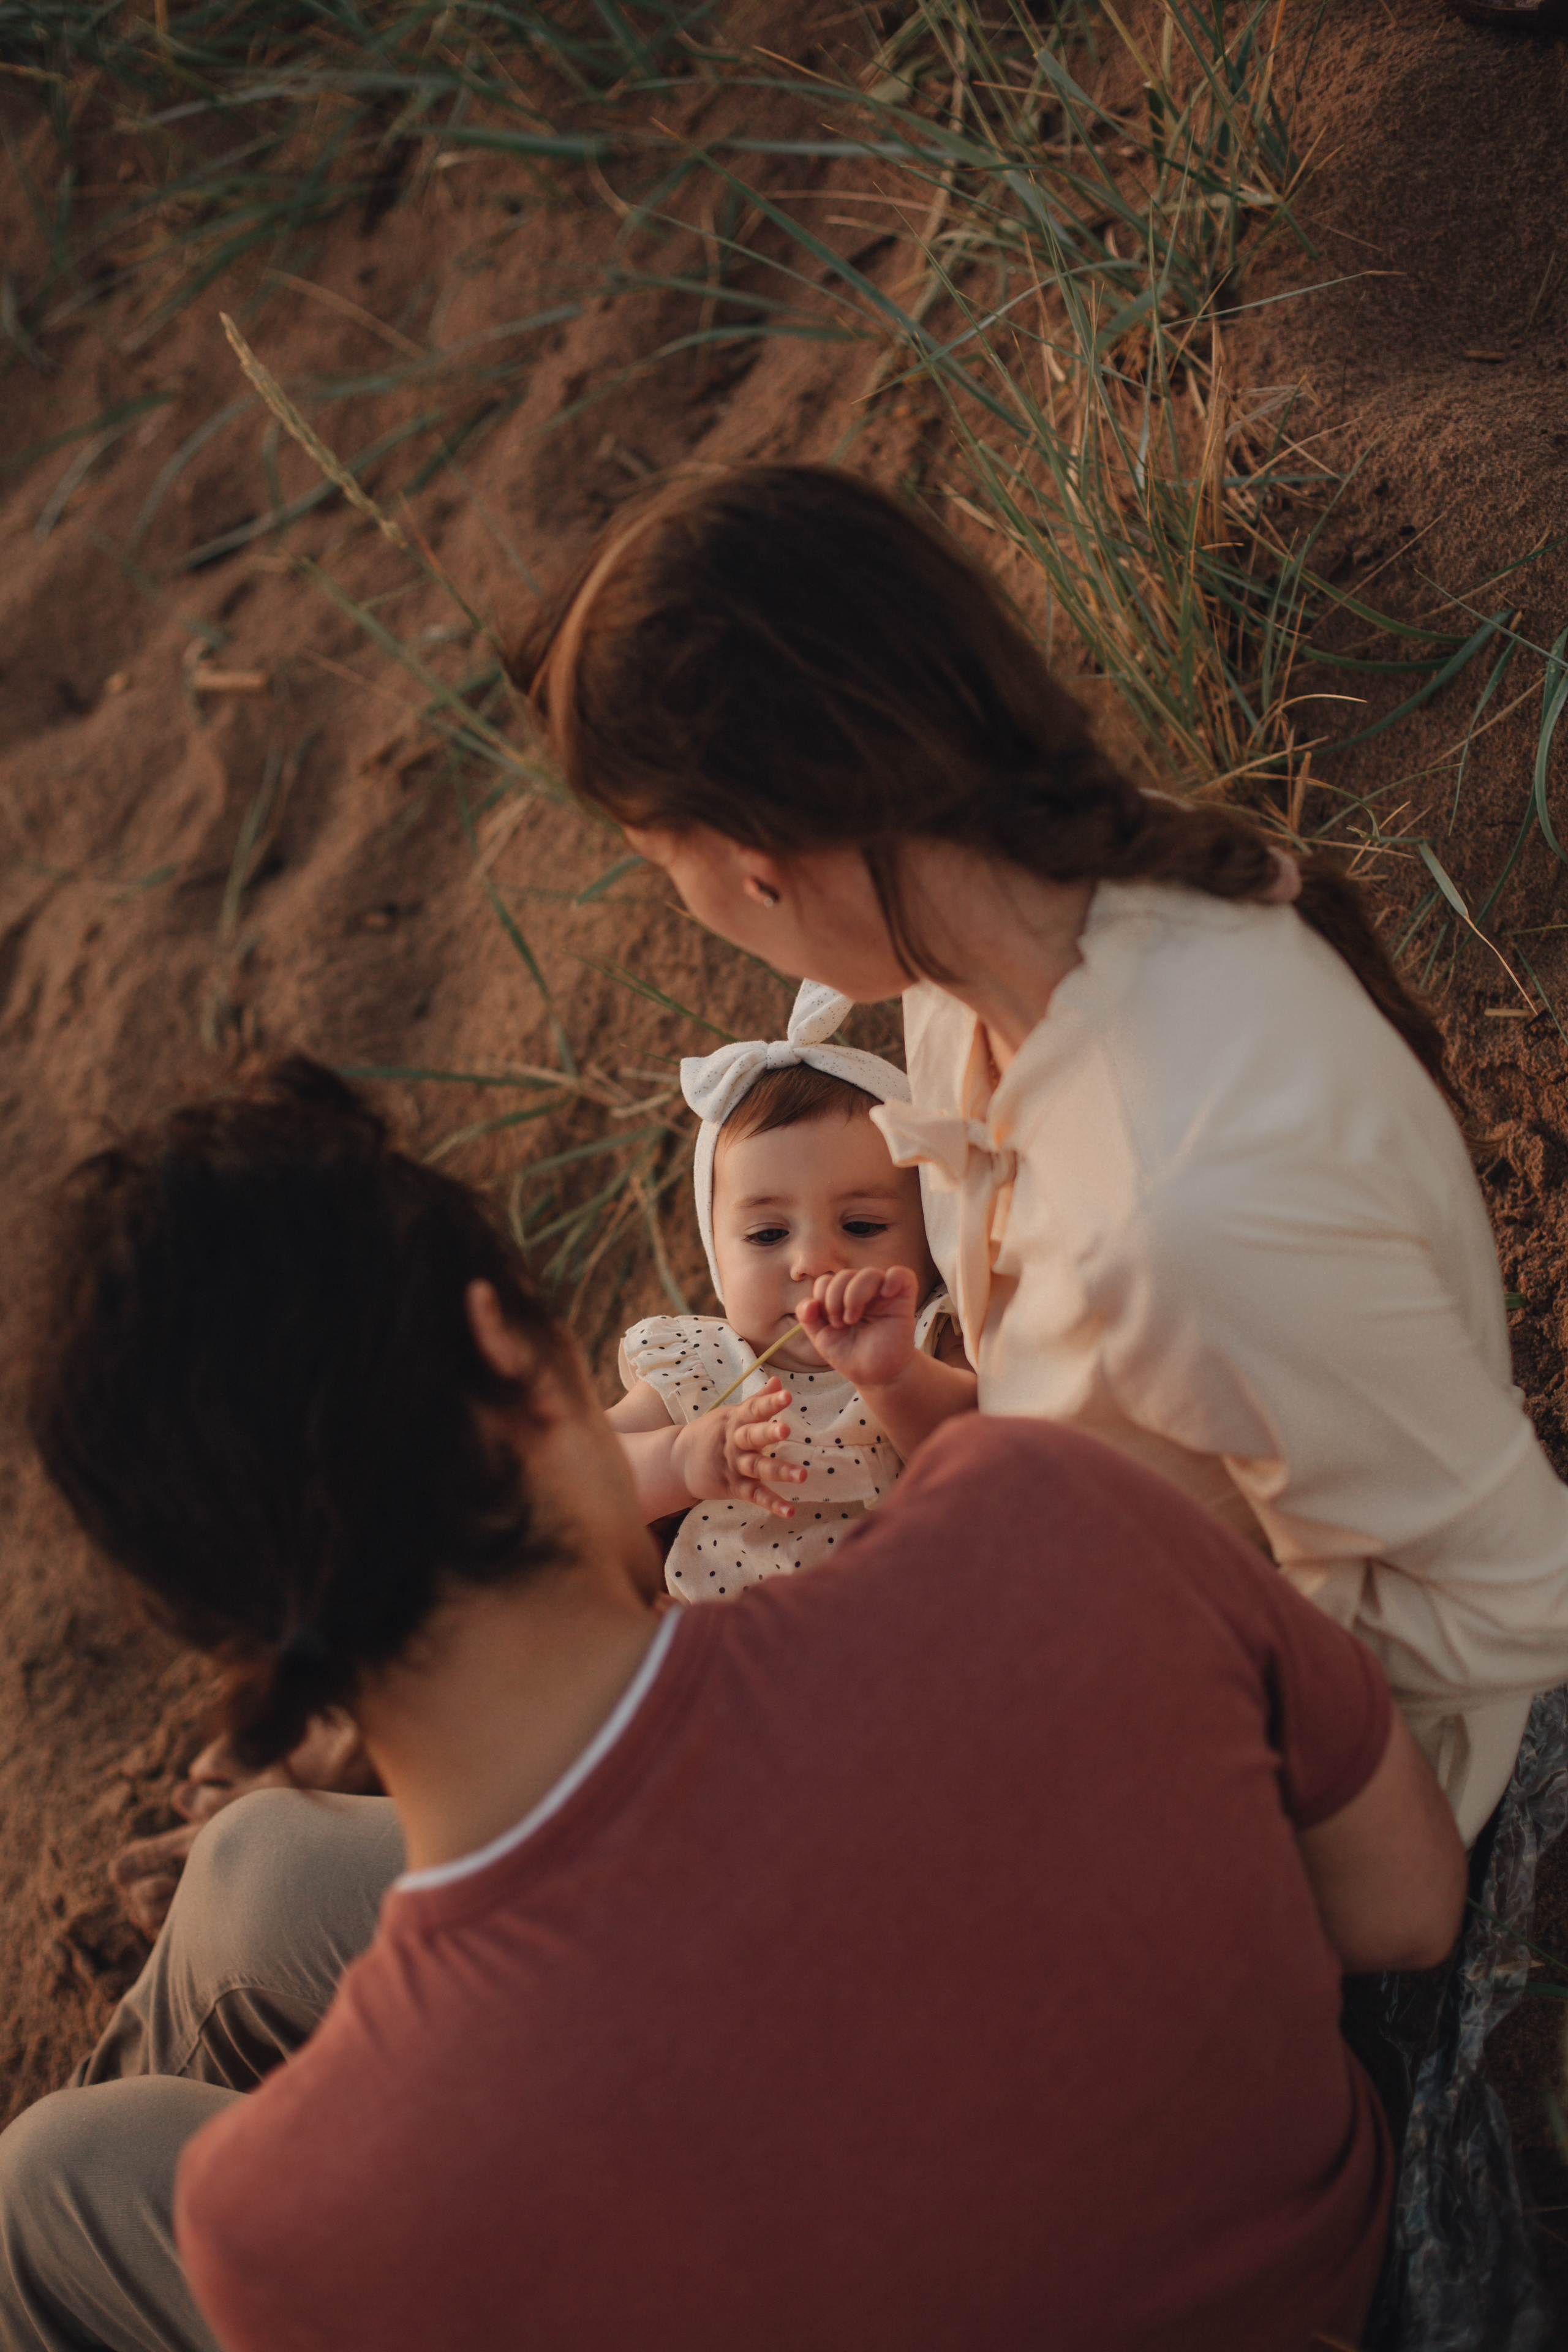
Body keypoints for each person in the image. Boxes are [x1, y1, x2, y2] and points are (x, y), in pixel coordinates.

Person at [0, 1057, 1465, 2352]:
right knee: (253, 1879)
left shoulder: (290, 2238)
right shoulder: (1040, 1503)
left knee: (52, 2191)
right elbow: (1403, 1903)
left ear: (223, 1626)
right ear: (512, 1349)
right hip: (1316, 2258)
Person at [518, 461, 1568, 1854]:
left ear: (754, 855)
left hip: (1232, 1811)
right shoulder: (987, 955)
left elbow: (1509, 1603)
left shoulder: (1180, 1198)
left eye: (662, 861)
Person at [609, 982, 972, 1598]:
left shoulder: (927, 1337)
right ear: (717, 1259)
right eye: (767, 1233)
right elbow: (575, 1480)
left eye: (860, 1227)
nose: (811, 1262)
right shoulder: (704, 1368)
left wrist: (894, 1379)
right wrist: (679, 1461)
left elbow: (983, 1451)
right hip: (734, 1653)